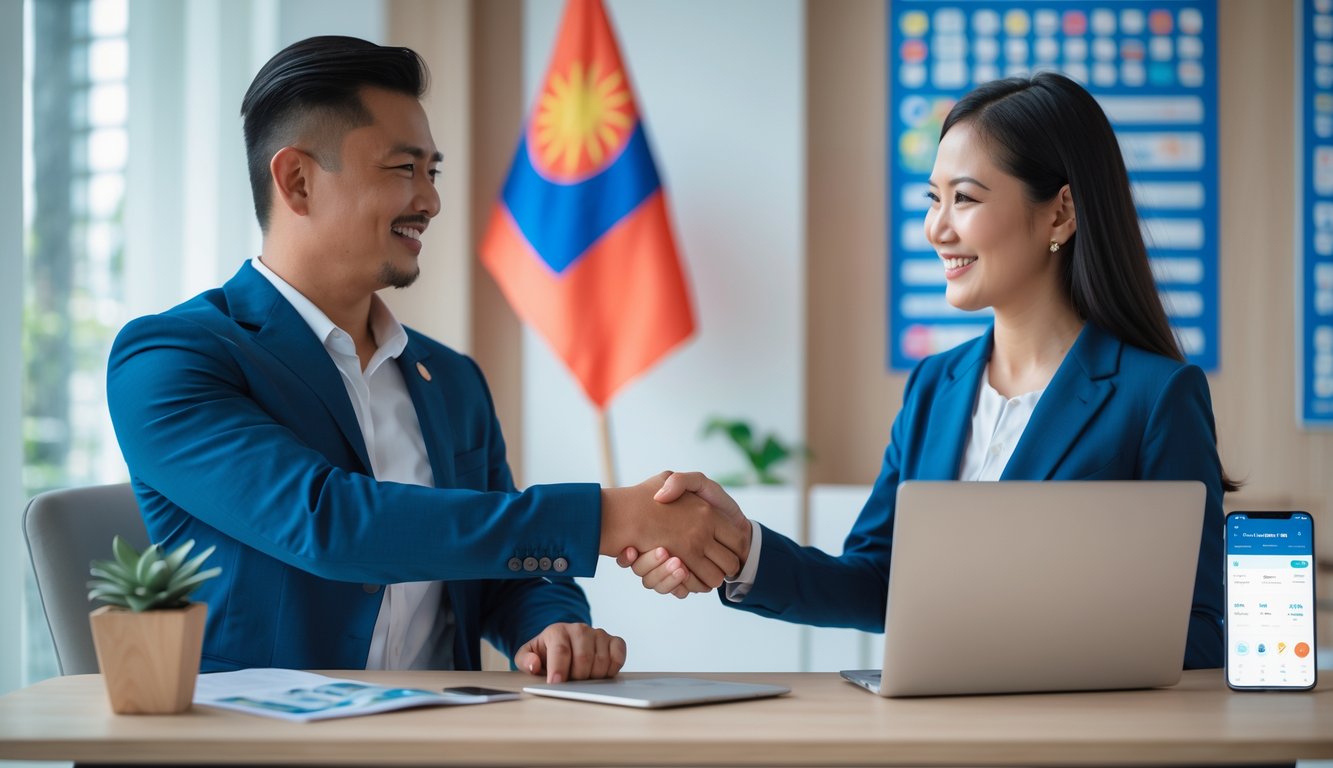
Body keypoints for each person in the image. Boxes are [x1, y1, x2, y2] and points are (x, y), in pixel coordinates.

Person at [106, 35, 748, 681]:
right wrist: (607, 516)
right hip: (258, 739)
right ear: (297, 181)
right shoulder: (172, 357)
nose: (430, 200)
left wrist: (548, 624)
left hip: (445, 731)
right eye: (401, 169)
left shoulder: (452, 379)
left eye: (431, 172)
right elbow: (332, 525)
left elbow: (502, 564)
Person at [619, 72, 1235, 670]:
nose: (937, 228)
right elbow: (878, 582)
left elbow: (1202, 632)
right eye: (933, 199)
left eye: (965, 198)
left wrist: (1034, 638)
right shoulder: (935, 388)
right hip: (937, 734)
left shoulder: (1155, 397)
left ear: (1059, 214)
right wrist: (741, 550)